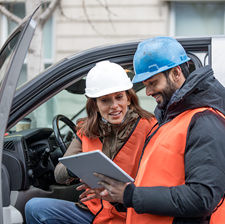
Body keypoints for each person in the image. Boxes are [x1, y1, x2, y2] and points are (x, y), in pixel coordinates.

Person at [80, 37, 225, 224]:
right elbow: (158, 183)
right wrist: (120, 197)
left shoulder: (206, 122)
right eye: (145, 85)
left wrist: (130, 195)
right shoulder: (169, 122)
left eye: (152, 82)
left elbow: (201, 198)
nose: (148, 92)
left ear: (176, 73)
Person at [25, 60, 156, 224]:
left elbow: (156, 184)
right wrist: (76, 169)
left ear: (129, 98)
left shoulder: (150, 128)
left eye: (119, 97)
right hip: (93, 213)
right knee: (35, 207)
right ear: (95, 104)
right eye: (105, 100)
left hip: (128, 216)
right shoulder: (86, 130)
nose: (114, 106)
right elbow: (59, 174)